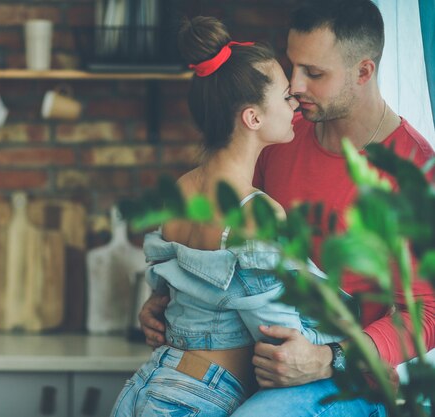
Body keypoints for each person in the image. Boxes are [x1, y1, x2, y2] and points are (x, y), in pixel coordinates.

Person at [139, 1, 435, 416]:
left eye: (314, 73)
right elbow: (228, 251)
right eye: (292, 65)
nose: (295, 85)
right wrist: (171, 295)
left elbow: (425, 315)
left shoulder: (414, 170)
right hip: (256, 367)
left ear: (364, 72)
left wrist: (331, 357)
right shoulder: (278, 135)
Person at [110, 15, 345, 417]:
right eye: (287, 96)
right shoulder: (255, 212)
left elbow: (166, 291)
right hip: (198, 400)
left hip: (146, 386)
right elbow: (280, 338)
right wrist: (346, 350)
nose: (296, 106)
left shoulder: (180, 190)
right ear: (252, 118)